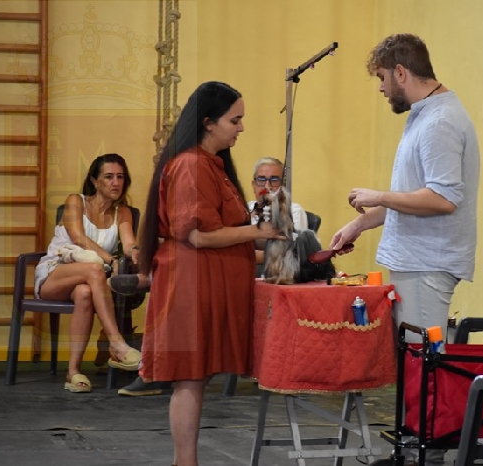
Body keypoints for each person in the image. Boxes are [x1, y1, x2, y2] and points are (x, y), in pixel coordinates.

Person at [328, 33, 480, 466]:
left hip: (429, 263)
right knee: (415, 363)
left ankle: (425, 455)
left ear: (401, 72)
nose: (380, 88)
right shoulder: (424, 115)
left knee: (425, 364)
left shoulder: (440, 122)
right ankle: (413, 449)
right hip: (416, 260)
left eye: (381, 77)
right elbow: (413, 195)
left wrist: (377, 196)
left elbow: (443, 199)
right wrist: (361, 222)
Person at [136, 81, 284, 466]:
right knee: (190, 377)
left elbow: (226, 235)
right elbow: (198, 235)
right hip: (191, 285)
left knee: (196, 378)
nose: (241, 127)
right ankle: (186, 462)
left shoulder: (210, 164)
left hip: (205, 283)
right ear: (208, 122)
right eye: (235, 120)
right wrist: (261, 231)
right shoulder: (191, 165)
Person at [34, 153, 142, 393]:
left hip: (88, 280)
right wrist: (111, 260)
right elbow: (78, 238)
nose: (116, 182)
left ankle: (73, 372)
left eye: (120, 177)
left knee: (84, 293)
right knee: (95, 269)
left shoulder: (123, 212)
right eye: (109, 177)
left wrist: (136, 253)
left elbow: (129, 244)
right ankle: (116, 344)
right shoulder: (76, 201)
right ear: (94, 180)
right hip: (55, 274)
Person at [248, 156, 308, 271]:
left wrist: (251, 256)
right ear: (253, 185)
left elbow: (293, 253)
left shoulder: (294, 210)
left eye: (274, 180)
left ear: (283, 186)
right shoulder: (243, 210)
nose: (267, 186)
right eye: (261, 179)